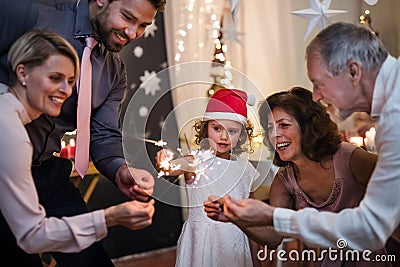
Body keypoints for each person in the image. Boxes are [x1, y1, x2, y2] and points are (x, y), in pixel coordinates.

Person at [205, 22, 400, 253]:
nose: (316, 96)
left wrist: (272, 215)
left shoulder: (392, 120)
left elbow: (370, 226)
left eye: (318, 83)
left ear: (353, 71)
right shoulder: (391, 111)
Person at [0, 0, 166, 266]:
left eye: (144, 25)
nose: (133, 33)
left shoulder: (114, 72)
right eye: (127, 17)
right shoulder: (29, 12)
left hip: (45, 170)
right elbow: (32, 236)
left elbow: (103, 135)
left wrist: (121, 169)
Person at [256, 87, 390, 266]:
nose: (275, 134)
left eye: (284, 125)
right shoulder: (284, 179)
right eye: (270, 127)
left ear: (307, 127)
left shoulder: (348, 158)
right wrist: (237, 218)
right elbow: (273, 238)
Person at [156, 88, 262, 267]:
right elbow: (170, 168)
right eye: (217, 128)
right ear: (206, 128)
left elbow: (249, 219)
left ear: (242, 135)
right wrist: (165, 158)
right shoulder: (196, 161)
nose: (223, 136)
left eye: (232, 131)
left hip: (235, 242)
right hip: (202, 242)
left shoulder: (246, 170)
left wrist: (256, 259)